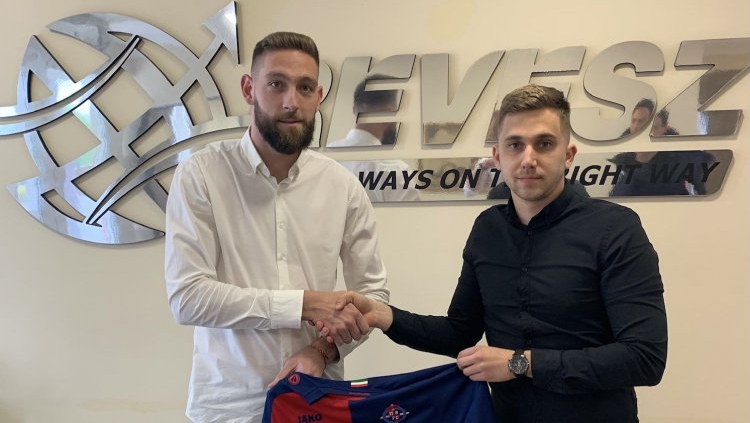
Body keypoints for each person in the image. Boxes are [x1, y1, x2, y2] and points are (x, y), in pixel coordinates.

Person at [324, 85, 667, 423]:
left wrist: (520, 363)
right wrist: (382, 315)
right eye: (515, 145)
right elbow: (460, 333)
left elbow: (644, 357)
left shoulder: (616, 229)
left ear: (568, 155)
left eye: (544, 144)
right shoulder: (488, 230)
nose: (528, 159)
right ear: (498, 156)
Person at [164, 31, 389, 423]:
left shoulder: (342, 185)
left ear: (319, 96)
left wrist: (322, 351)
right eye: (276, 84)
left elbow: (373, 296)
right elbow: (188, 297)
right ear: (249, 89)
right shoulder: (201, 175)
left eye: (305, 88)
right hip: (228, 406)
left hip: (316, 400)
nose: (291, 102)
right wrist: (303, 304)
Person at [610, 109, 715, 196]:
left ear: (664, 129)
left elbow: (707, 194)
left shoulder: (685, 159)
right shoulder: (623, 163)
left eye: (651, 127)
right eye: (634, 121)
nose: (640, 131)